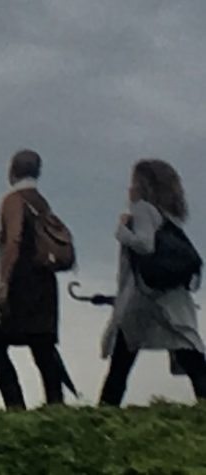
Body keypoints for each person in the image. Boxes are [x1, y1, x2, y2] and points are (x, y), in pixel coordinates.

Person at [98, 159, 206, 406]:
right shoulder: (169, 216)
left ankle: (104, 411)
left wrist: (122, 231)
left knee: (122, 361)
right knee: (189, 353)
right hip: (169, 296)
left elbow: (145, 246)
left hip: (142, 296)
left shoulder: (142, 209)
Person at [0, 150, 64, 410]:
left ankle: (15, 405)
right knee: (42, 348)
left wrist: (3, 283)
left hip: (21, 282)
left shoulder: (14, 200)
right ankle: (55, 404)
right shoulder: (41, 203)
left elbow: (14, 239)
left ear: (12, 170)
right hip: (44, 282)